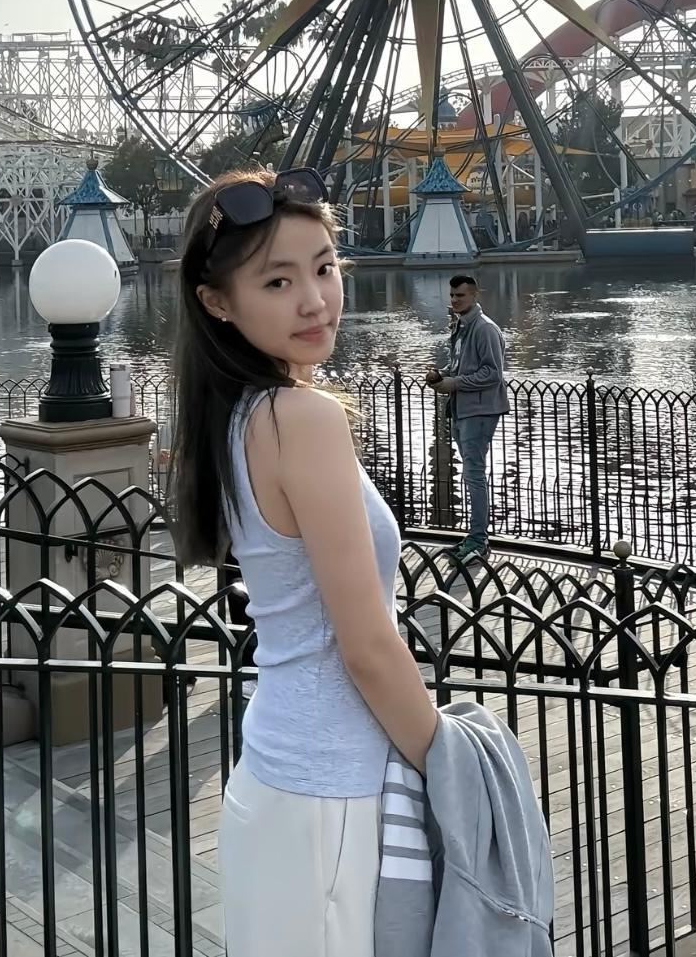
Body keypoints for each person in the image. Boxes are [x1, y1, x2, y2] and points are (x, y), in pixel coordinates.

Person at [166, 167, 438, 957]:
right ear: (218, 302)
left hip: (279, 778)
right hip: (331, 794)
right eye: (278, 281)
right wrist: (450, 767)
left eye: (324, 267)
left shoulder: (238, 414)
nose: (315, 300)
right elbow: (368, 645)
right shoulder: (302, 417)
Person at [425, 274, 508, 565]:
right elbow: (460, 366)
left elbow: (493, 374)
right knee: (472, 473)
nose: (455, 300)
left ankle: (479, 540)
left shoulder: (485, 329)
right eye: (452, 295)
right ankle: (474, 536)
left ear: (474, 295)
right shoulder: (461, 327)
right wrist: (441, 375)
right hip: (463, 408)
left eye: (460, 295)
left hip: (480, 410)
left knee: (474, 473)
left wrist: (455, 383)